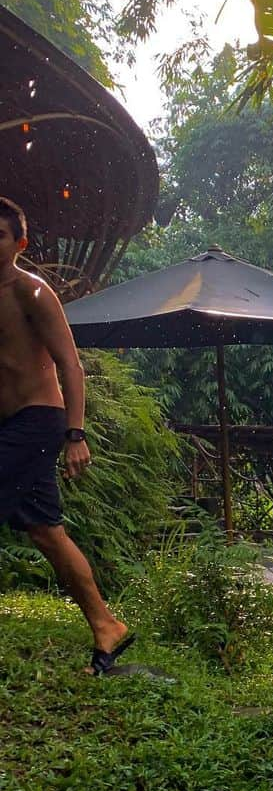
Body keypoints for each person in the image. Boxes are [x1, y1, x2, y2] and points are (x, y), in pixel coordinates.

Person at [0, 196, 134, 674]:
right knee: (45, 531)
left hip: (39, 419)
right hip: (8, 424)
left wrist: (76, 433)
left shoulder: (31, 292)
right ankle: (106, 627)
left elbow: (70, 365)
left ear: (20, 243)